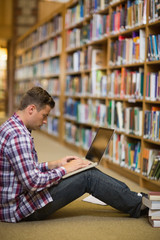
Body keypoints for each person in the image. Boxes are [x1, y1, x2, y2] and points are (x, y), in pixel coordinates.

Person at [0, 87, 147, 223]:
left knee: (84, 170)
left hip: (14, 202)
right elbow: (33, 182)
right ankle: (139, 203)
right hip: (20, 208)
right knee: (88, 176)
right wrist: (65, 170)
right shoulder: (19, 136)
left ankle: (134, 198)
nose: (45, 121)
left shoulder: (11, 126)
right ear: (31, 109)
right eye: (44, 115)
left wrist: (55, 164)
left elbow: (23, 169)